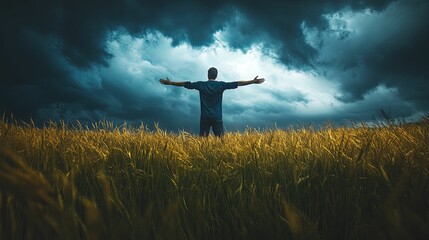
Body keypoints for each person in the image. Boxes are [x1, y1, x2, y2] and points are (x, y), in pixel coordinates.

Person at [159, 67, 265, 137]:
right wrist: (252, 81)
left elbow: (185, 84)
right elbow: (238, 83)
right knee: (221, 142)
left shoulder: (201, 85)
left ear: (207, 75)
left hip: (204, 117)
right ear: (216, 75)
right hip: (217, 118)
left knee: (202, 143)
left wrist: (171, 83)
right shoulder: (221, 85)